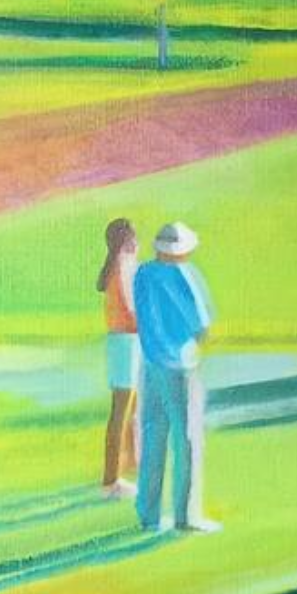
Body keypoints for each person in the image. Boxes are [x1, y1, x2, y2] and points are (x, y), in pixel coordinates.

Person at [132, 221, 218, 533]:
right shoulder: (183, 275)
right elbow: (201, 325)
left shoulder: (143, 273)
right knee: (187, 438)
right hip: (179, 365)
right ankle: (186, 516)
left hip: (151, 362)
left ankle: (149, 514)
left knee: (153, 435)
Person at [97, 219, 141, 499]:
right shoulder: (122, 264)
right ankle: (111, 481)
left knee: (131, 406)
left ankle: (132, 464)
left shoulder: (121, 264)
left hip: (124, 341)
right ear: (128, 240)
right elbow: (128, 308)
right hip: (125, 341)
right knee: (121, 410)